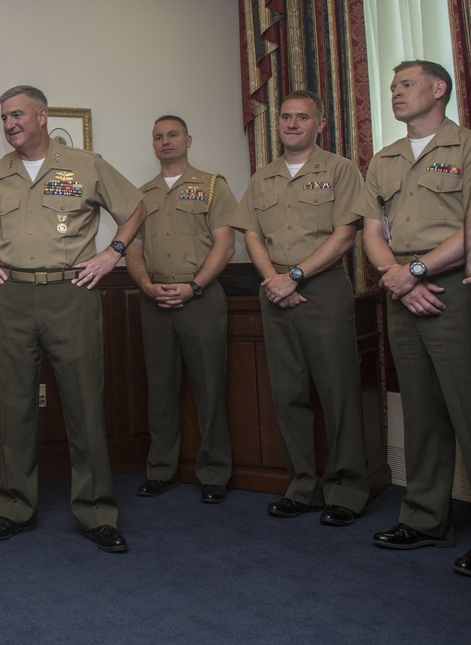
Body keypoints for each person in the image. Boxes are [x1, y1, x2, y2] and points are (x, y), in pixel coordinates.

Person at [0, 85, 145, 553]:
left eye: (17, 114)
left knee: (84, 403)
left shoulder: (85, 165)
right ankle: (15, 508)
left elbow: (136, 207)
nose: (9, 124)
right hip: (14, 294)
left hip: (71, 293)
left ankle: (97, 512)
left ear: (42, 116)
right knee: (16, 406)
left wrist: (111, 254)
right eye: (3, 118)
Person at [230, 89, 369, 526]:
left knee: (338, 392)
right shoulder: (263, 177)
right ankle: (303, 487)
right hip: (274, 290)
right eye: (286, 117)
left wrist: (296, 276)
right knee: (287, 393)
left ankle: (347, 490)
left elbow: (346, 234)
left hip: (322, 288)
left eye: (302, 118)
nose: (292, 124)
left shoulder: (340, 170)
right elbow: (251, 234)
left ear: (319, 124)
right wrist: (275, 278)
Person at [356, 60, 471, 576]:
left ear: (438, 88)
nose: (395, 92)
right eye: (392, 86)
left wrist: (417, 270)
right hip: (401, 290)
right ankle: (426, 519)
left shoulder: (465, 146)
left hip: (451, 287)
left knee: (466, 407)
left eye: (405, 84)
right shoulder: (385, 158)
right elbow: (372, 230)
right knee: (422, 412)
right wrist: (397, 277)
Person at [125, 115, 235, 504]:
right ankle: (160, 470)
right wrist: (146, 285)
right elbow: (133, 250)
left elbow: (225, 244)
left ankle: (214, 473)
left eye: (172, 135)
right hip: (154, 298)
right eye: (158, 137)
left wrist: (193, 286)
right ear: (152, 144)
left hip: (200, 297)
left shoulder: (211, 186)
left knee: (209, 387)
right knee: (160, 388)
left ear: (188, 139)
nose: (165, 142)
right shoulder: (140, 195)